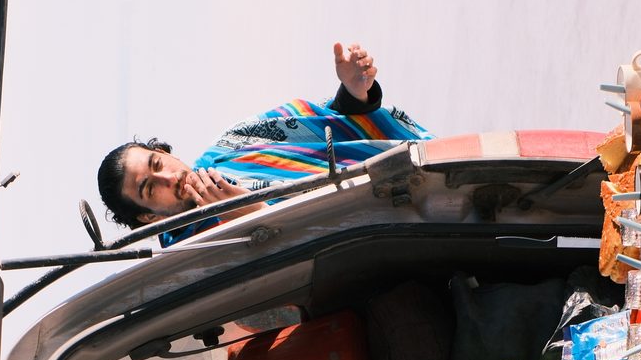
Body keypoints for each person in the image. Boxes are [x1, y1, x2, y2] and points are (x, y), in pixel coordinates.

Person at [95, 43, 432, 244]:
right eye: (150, 189)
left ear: (164, 152)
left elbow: (320, 123)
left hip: (422, 190)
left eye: (157, 165)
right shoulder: (189, 256)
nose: (169, 178)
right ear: (148, 219)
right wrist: (253, 212)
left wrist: (355, 88)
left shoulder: (229, 147)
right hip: (378, 245)